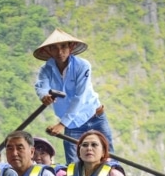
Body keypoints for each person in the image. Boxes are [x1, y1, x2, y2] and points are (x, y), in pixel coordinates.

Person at [33, 29, 114, 164]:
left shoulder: (83, 66)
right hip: (73, 123)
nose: (59, 52)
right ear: (48, 51)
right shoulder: (46, 69)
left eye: (64, 46)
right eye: (54, 48)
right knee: (73, 164)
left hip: (95, 117)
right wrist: (44, 96)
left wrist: (62, 124)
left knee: (109, 159)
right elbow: (42, 85)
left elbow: (79, 97)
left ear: (71, 47)